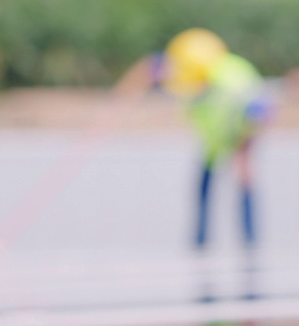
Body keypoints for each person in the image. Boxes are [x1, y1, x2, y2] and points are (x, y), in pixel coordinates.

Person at [115, 29, 273, 251]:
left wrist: (244, 138)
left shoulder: (232, 79)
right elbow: (152, 68)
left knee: (243, 175)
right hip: (213, 138)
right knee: (204, 187)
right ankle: (201, 243)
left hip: (238, 132)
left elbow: (260, 109)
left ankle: (250, 244)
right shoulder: (188, 73)